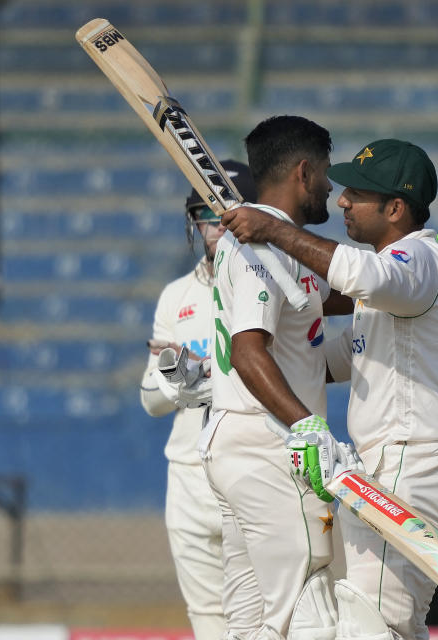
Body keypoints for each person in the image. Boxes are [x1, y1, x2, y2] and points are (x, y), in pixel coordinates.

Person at [221, 139, 438, 640]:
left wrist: (274, 230)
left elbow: (363, 275)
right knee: (392, 622)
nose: (341, 201)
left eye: (356, 193)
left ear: (396, 208)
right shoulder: (401, 277)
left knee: (369, 623)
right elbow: (330, 363)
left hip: (413, 460)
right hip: (412, 461)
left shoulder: (412, 259)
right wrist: (240, 360)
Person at [200, 115, 353, 640]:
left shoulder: (281, 247)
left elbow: (355, 295)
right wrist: (308, 426)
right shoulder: (256, 249)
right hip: (266, 445)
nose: (331, 189)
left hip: (240, 445)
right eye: (327, 174)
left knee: (250, 621)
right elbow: (248, 352)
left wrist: (423, 267)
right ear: (304, 172)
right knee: (309, 614)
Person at [139, 160, 258, 640]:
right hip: (187, 476)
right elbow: (151, 400)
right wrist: (180, 375)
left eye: (220, 213)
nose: (211, 226)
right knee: (207, 622)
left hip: (246, 469)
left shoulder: (264, 282)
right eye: (201, 216)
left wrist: (200, 375)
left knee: (256, 618)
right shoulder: (175, 295)